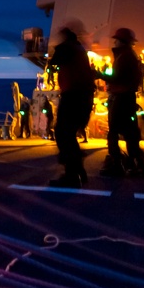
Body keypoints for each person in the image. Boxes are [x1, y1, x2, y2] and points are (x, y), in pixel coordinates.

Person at [46, 22, 96, 187]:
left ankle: (72, 175)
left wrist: (57, 47)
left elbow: (54, 62)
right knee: (69, 134)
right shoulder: (79, 49)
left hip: (74, 96)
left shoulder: (69, 48)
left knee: (63, 134)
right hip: (82, 96)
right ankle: (78, 171)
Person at [100, 28, 144, 178]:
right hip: (127, 98)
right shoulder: (129, 56)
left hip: (121, 98)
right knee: (129, 132)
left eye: (116, 40)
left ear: (122, 41)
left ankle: (117, 164)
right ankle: (137, 164)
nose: (114, 42)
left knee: (114, 132)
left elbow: (117, 78)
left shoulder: (124, 57)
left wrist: (99, 75)